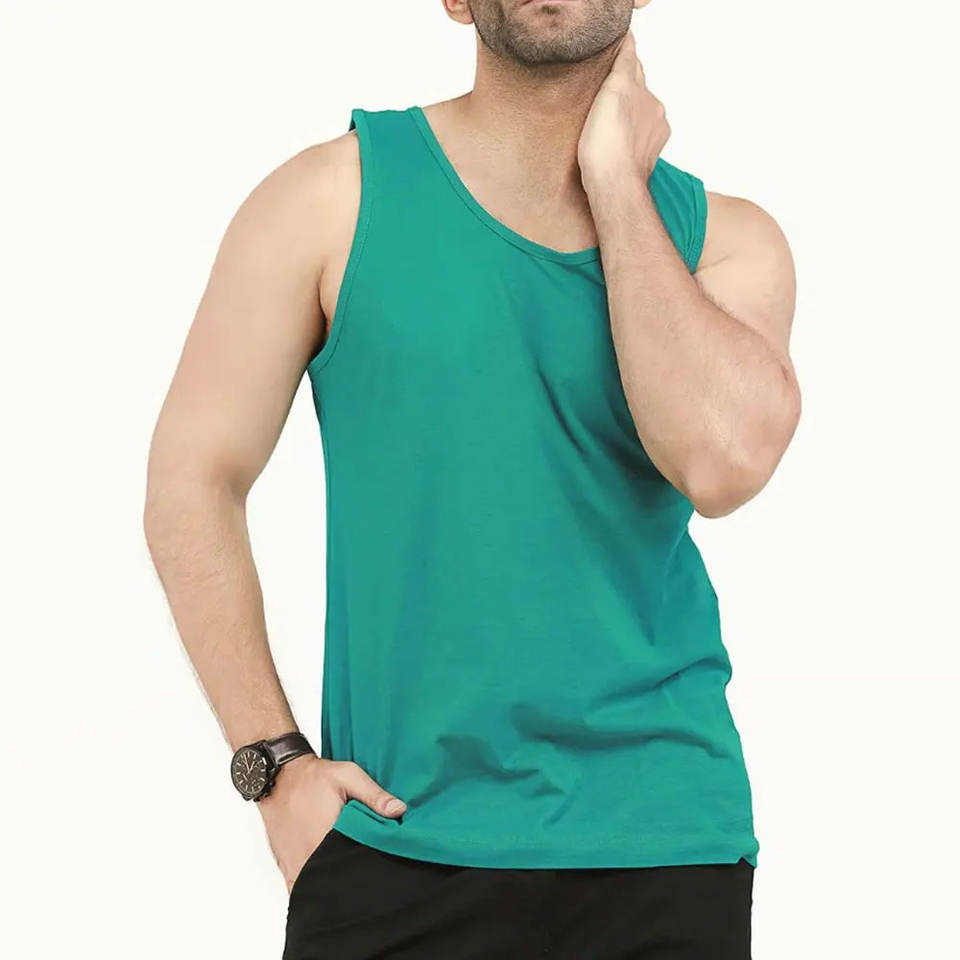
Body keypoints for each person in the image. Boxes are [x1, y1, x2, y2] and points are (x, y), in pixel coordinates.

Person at [144, 1, 799, 956]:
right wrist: (274, 766)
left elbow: (722, 462)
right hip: (396, 840)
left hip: (663, 843)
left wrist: (616, 181)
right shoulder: (331, 200)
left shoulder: (726, 241)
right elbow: (192, 480)